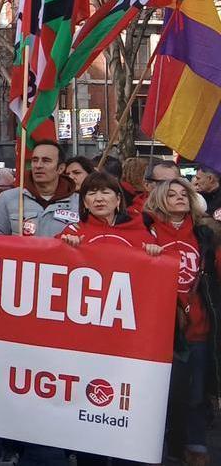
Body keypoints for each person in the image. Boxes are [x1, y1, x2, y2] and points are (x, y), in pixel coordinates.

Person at [142, 178, 217, 466]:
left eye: (184, 193)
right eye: (171, 194)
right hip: (157, 328)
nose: (179, 198)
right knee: (162, 394)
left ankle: (195, 443)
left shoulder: (204, 233)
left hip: (196, 325)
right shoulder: (145, 231)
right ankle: (163, 445)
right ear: (160, 199)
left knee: (196, 393)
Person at [0, 141, 79, 238]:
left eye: (46, 161)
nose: (38, 165)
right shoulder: (8, 198)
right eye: (35, 160)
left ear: (60, 168)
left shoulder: (79, 202)